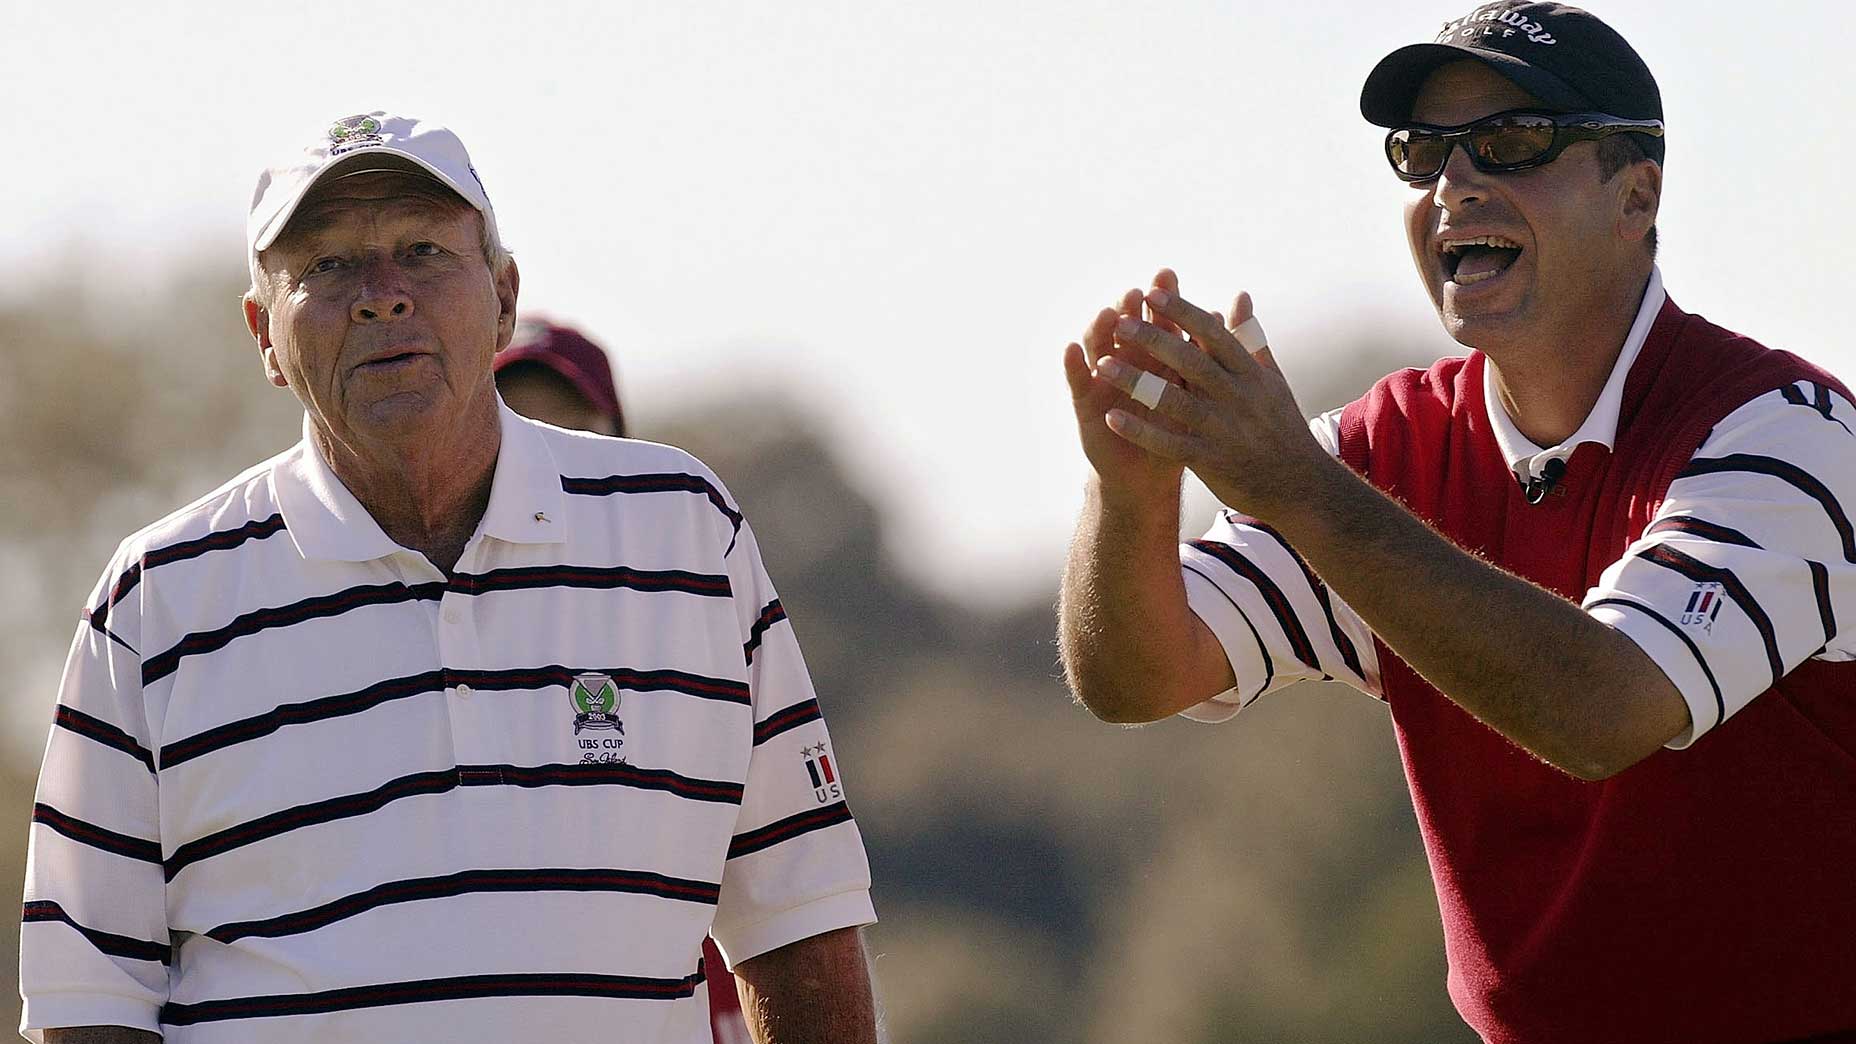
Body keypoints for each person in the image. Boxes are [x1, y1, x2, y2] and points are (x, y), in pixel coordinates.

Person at [1058, 4, 1856, 1042]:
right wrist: (1126, 491)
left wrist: (1297, 487)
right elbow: (1136, 677)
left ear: (1636, 194)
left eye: (1513, 142)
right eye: (1420, 152)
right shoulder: (1374, 451)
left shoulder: (1785, 433)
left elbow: (1601, 711)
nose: (1454, 184)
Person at [21, 112, 878, 1044]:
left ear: (504, 297)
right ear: (264, 332)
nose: (383, 296)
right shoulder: (155, 602)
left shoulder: (683, 534)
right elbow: (89, 1005)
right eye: (330, 265)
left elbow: (801, 924)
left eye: (424, 250)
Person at [491, 319, 753, 1044]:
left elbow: (788, 877)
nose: (545, 453)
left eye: (573, 430)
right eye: (518, 426)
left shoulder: (689, 596)